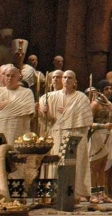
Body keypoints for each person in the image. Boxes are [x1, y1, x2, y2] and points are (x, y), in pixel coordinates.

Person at [42, 71, 93, 202]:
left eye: (70, 78)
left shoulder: (81, 97)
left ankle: (74, 194)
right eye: (64, 77)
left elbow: (86, 119)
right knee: (56, 162)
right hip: (57, 133)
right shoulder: (52, 96)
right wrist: (44, 112)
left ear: (74, 81)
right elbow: (47, 119)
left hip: (75, 134)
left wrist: (68, 112)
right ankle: (54, 194)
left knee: (75, 164)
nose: (66, 80)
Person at [87, 80, 112, 204]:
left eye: (110, 89)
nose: (109, 91)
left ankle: (102, 193)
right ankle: (93, 193)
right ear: (100, 91)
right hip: (96, 136)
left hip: (107, 136)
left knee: (103, 166)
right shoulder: (94, 105)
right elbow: (89, 123)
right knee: (94, 166)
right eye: (106, 89)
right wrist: (103, 126)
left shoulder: (110, 105)